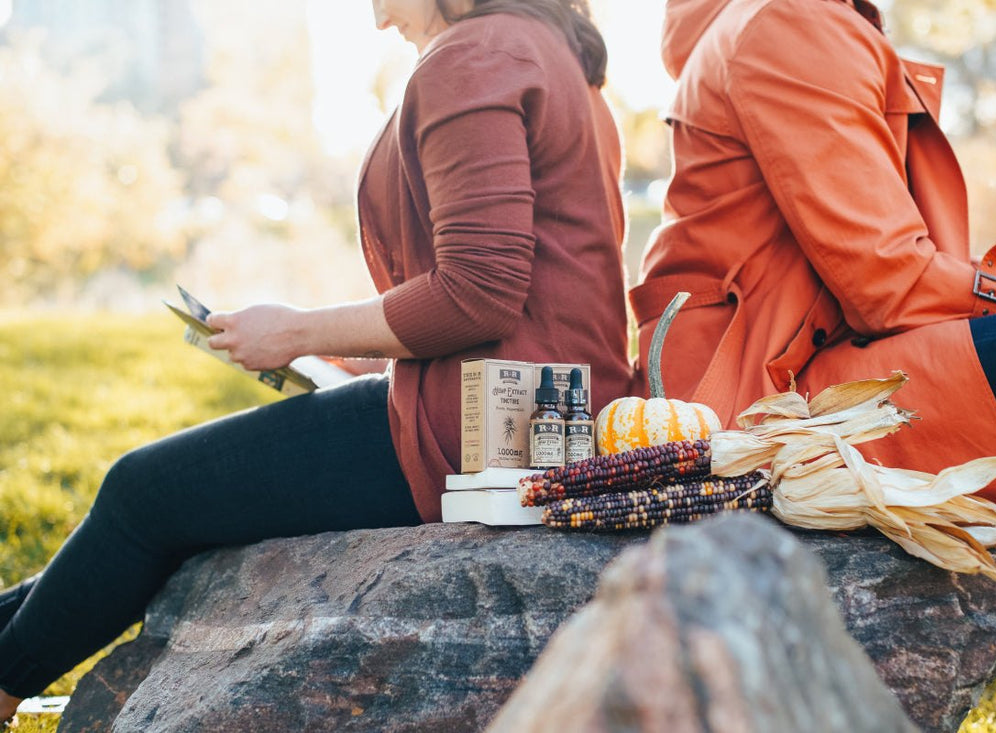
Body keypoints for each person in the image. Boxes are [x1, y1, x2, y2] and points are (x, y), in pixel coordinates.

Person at [0, 0, 632, 723]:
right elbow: (531, 288)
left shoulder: (473, 57)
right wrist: (337, 348)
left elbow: (479, 292)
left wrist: (296, 331)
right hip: (538, 414)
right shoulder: (554, 54)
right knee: (151, 508)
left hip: (474, 430)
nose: (375, 19)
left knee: (143, 494)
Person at [632, 0, 996, 725]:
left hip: (800, 356)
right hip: (765, 396)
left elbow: (898, 261)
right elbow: (889, 281)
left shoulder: (776, 19)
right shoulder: (785, 21)